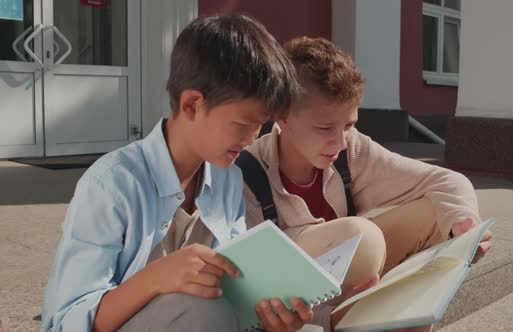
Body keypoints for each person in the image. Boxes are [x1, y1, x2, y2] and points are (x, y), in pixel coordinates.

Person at [40, 15, 313, 332]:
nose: (252, 138)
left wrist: (268, 315)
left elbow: (237, 286)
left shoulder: (227, 179)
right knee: (203, 311)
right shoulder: (112, 185)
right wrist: (156, 279)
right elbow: (68, 321)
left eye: (260, 126)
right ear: (192, 105)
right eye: (242, 124)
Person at [240, 36, 492, 331]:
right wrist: (328, 319)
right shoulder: (245, 173)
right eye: (324, 128)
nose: (339, 142)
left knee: (438, 214)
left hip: (355, 282)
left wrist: (464, 230)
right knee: (363, 236)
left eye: (348, 125)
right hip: (295, 311)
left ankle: (405, 319)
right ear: (282, 115)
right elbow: (250, 290)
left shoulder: (351, 150)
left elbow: (446, 180)